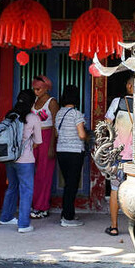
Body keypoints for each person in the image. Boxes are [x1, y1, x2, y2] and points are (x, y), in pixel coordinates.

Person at [104, 75, 135, 236]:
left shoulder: (116, 103)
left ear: (128, 86)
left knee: (114, 189)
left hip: (117, 154)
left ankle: (113, 227)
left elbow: (106, 124)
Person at [0, 89, 42, 233]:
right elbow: (38, 142)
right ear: (32, 102)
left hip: (10, 158)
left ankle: (6, 217)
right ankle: (23, 224)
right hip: (25, 160)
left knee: (12, 187)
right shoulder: (33, 118)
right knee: (26, 190)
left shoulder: (9, 116)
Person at [54, 84, 88, 227]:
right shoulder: (76, 114)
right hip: (74, 152)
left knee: (68, 183)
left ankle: (67, 213)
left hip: (61, 151)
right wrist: (87, 136)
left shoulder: (59, 113)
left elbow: (56, 134)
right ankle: (68, 218)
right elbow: (81, 135)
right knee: (72, 185)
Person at [30, 76, 59, 219]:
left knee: (44, 174)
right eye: (34, 88)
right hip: (34, 139)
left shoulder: (52, 102)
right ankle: (34, 204)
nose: (35, 91)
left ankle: (42, 207)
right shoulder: (34, 101)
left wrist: (52, 146)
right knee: (31, 173)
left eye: (38, 88)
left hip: (47, 138)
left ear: (46, 87)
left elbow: (55, 125)